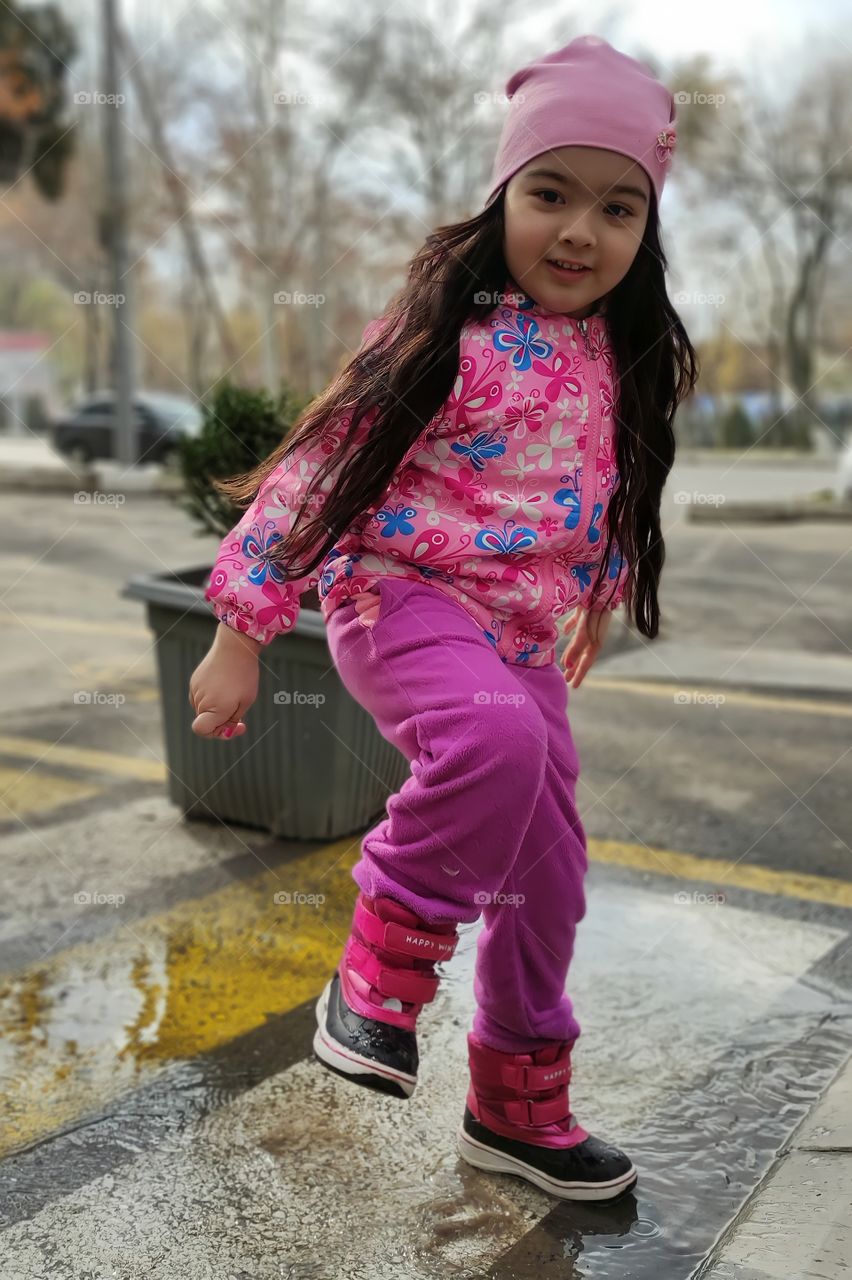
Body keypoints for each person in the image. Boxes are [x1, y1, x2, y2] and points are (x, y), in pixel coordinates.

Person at [188, 34, 699, 1203]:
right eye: (551, 193)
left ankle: (515, 1103)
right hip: (401, 596)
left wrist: (601, 591)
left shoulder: (618, 353)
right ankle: (379, 968)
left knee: (549, 870)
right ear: (501, 195)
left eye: (618, 207)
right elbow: (325, 465)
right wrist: (241, 623)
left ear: (645, 228)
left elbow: (610, 479)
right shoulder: (450, 334)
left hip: (519, 634)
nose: (580, 231)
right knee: (494, 744)